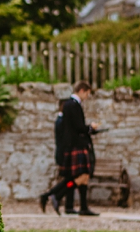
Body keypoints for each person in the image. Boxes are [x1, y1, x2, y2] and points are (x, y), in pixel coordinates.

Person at [57, 81, 100, 216]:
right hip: (76, 146)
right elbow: (77, 127)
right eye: (87, 93)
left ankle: (82, 206)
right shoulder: (72, 105)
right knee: (79, 177)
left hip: (75, 145)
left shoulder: (71, 105)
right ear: (82, 90)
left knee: (84, 177)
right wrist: (90, 128)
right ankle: (56, 196)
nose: (87, 96)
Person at [38, 95, 68, 214]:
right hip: (63, 154)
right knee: (69, 180)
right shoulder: (61, 122)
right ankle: (50, 195)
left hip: (63, 154)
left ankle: (53, 197)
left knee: (69, 180)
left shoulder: (62, 121)